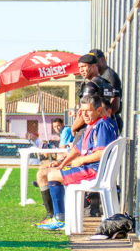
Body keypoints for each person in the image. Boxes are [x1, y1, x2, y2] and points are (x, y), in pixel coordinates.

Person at [35, 95, 118, 231]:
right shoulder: (92, 125)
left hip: (94, 171)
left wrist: (80, 160)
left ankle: (60, 219)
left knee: (52, 176)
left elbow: (101, 153)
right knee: (47, 171)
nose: (84, 115)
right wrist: (62, 164)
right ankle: (56, 216)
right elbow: (76, 149)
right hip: (89, 168)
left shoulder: (101, 125)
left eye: (88, 111)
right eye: (82, 111)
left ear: (99, 110)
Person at [89, 48, 123, 133]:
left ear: (103, 59)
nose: (93, 64)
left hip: (110, 121)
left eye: (95, 61)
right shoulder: (103, 75)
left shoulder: (109, 76)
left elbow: (115, 104)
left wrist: (103, 119)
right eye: (91, 61)